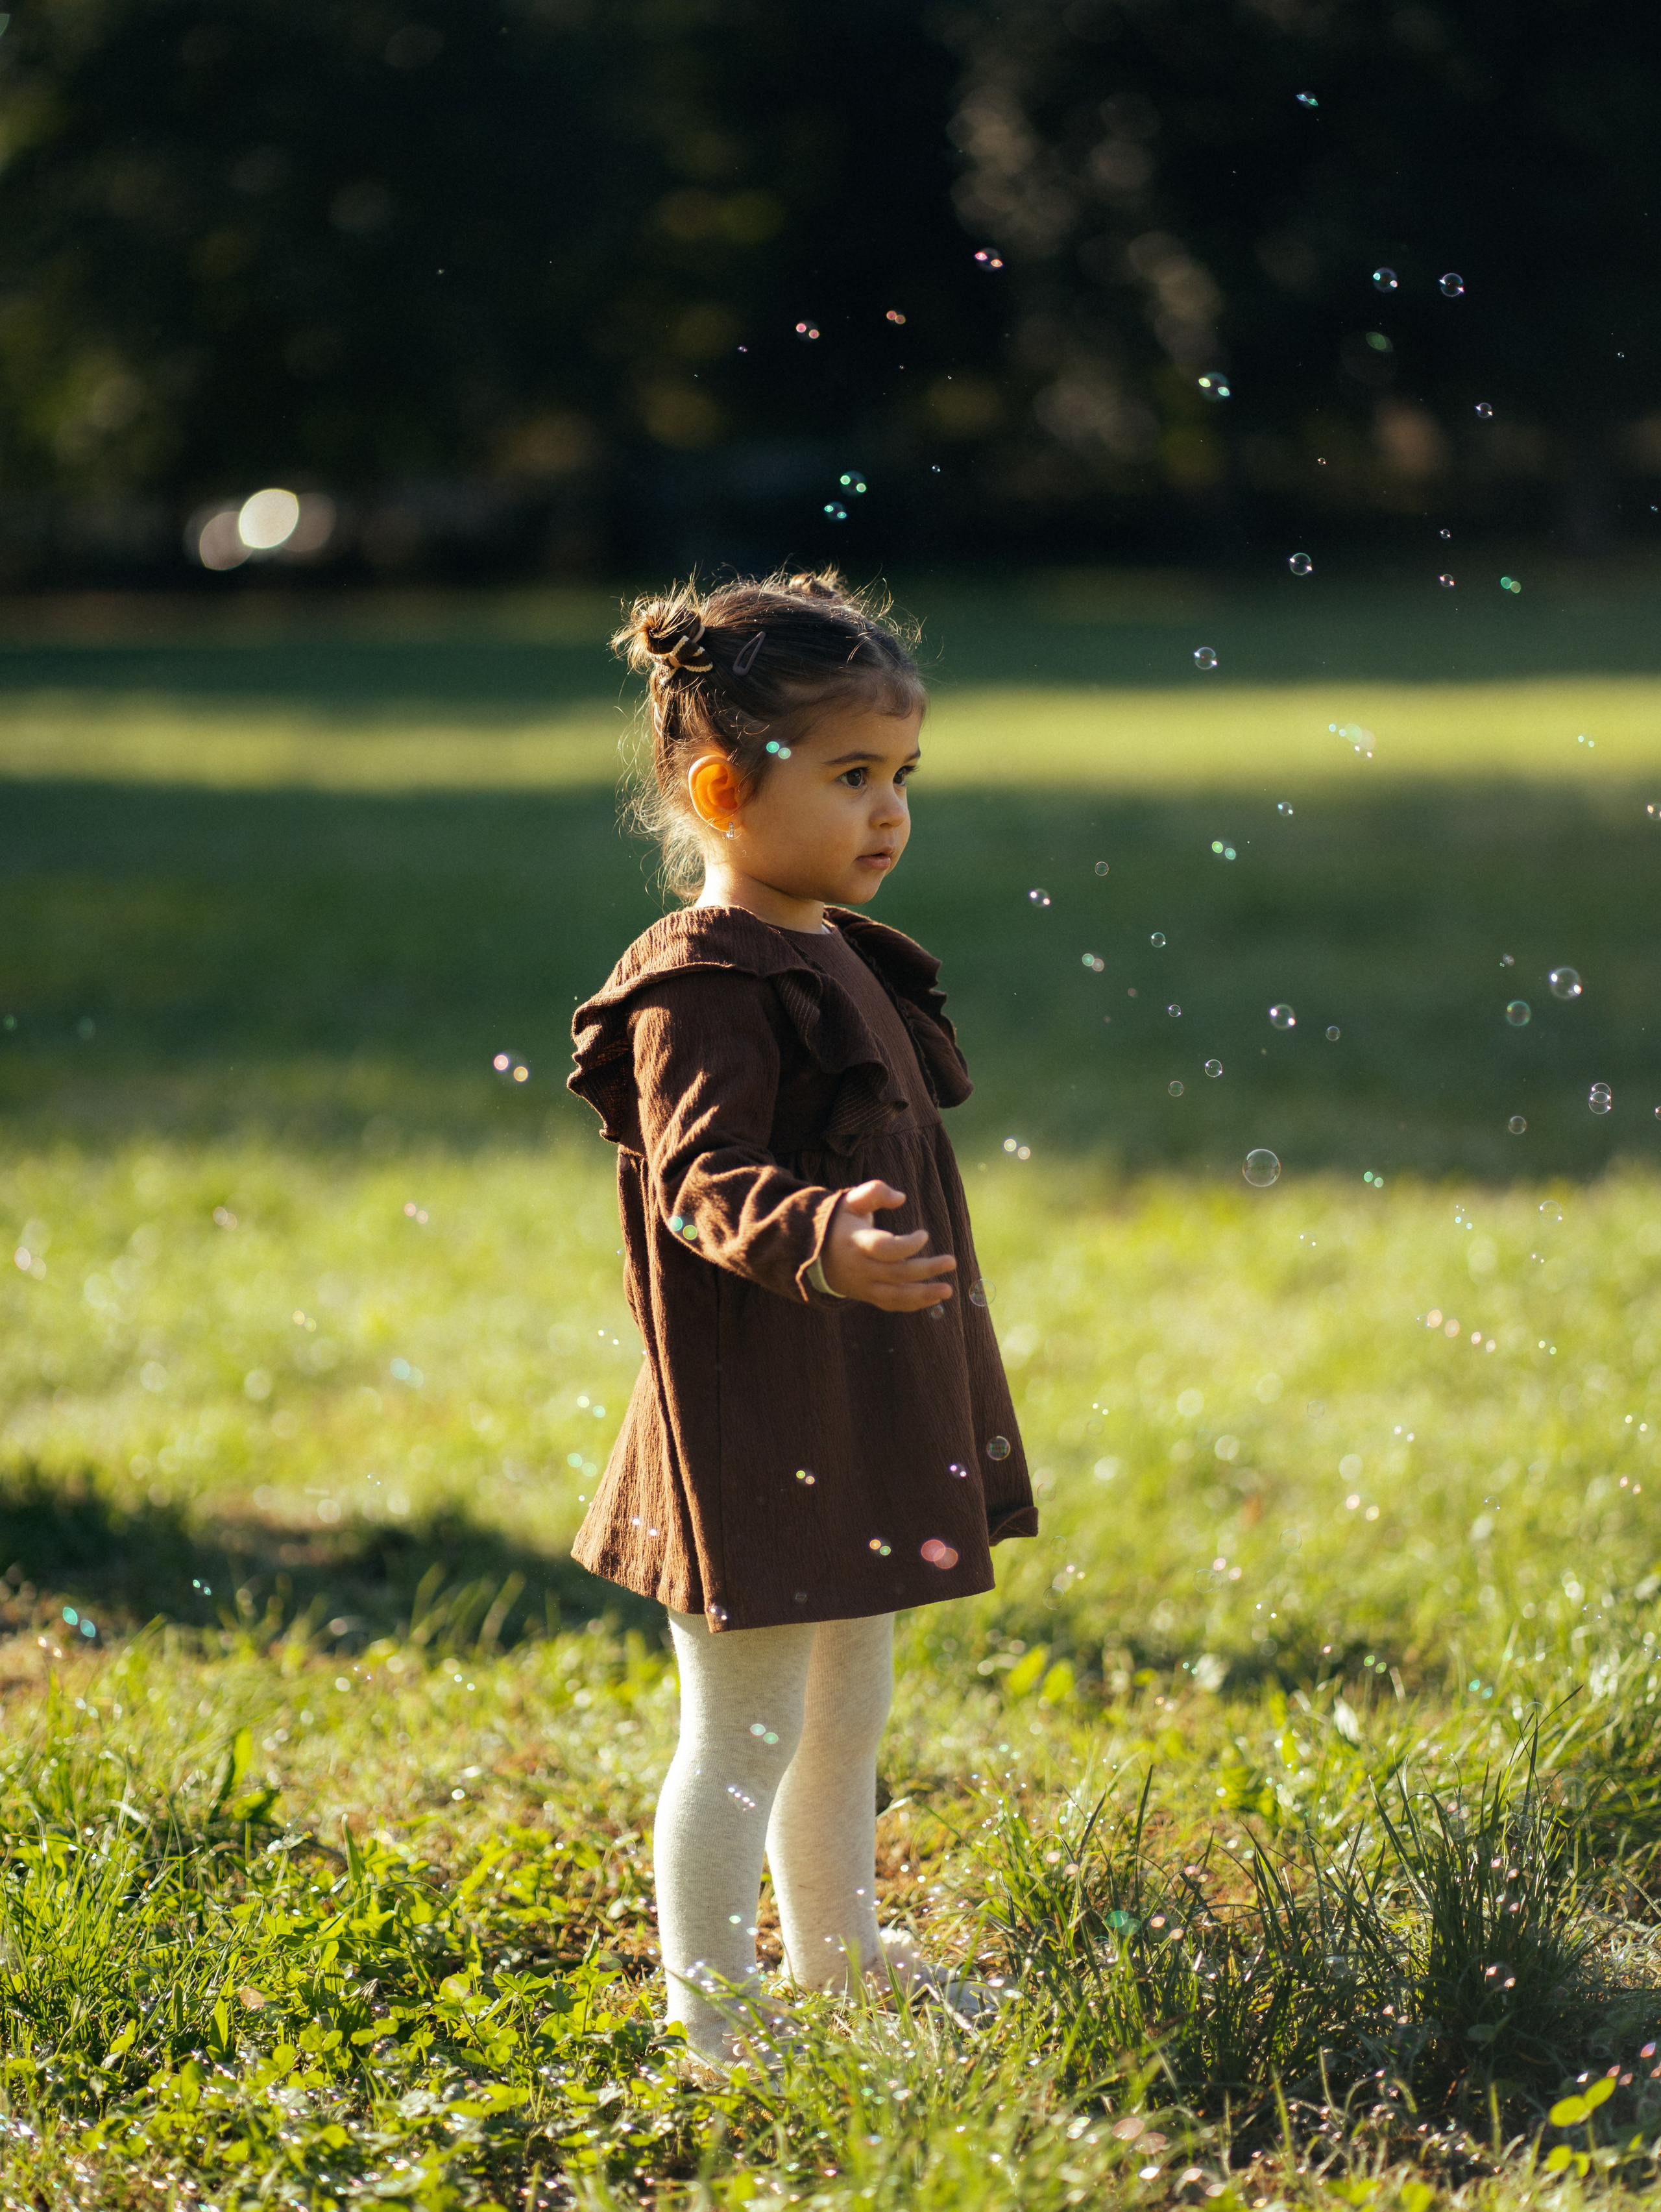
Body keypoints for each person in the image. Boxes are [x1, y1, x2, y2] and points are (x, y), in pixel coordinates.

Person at [567, 568, 1036, 2068]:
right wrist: (819, 1235)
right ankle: (712, 2015)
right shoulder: (694, 983)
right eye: (850, 777)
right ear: (721, 785)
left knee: (845, 1717)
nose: (889, 812)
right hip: (760, 1422)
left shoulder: (834, 947)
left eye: (902, 777)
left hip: (867, 1406)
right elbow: (703, 1178)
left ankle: (839, 1962)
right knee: (743, 1734)